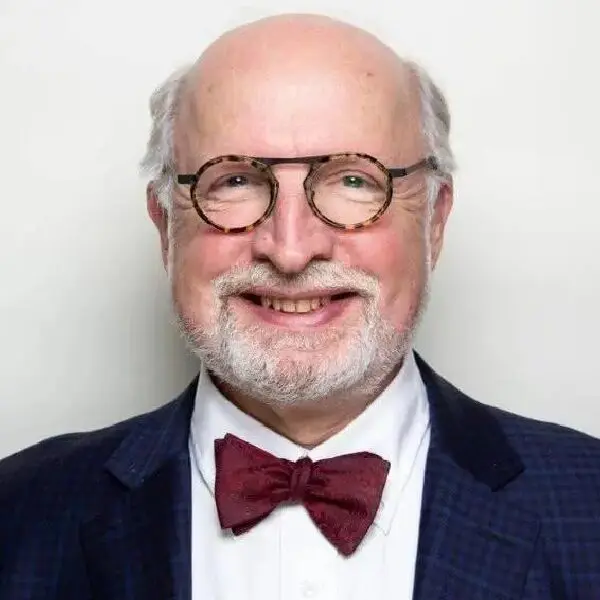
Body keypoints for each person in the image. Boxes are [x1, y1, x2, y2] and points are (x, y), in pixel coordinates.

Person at [1, 13, 599, 600]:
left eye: (355, 180)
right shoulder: (19, 514)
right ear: (165, 227)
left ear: (435, 222)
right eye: (232, 181)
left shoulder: (587, 506)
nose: (290, 249)